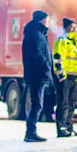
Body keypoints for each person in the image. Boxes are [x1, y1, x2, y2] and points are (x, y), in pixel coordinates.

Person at [21, 10, 53, 142]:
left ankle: (31, 132)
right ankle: (30, 133)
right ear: (43, 20)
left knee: (37, 103)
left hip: (36, 73)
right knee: (37, 104)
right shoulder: (35, 33)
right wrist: (46, 65)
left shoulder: (35, 31)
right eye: (47, 19)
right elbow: (37, 52)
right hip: (37, 73)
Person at [52, 18, 77, 137]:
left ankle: (69, 127)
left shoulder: (76, 44)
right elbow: (58, 59)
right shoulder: (61, 41)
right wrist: (61, 76)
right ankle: (61, 128)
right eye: (74, 26)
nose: (76, 29)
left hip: (74, 78)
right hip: (64, 78)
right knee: (63, 103)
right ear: (69, 27)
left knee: (72, 103)